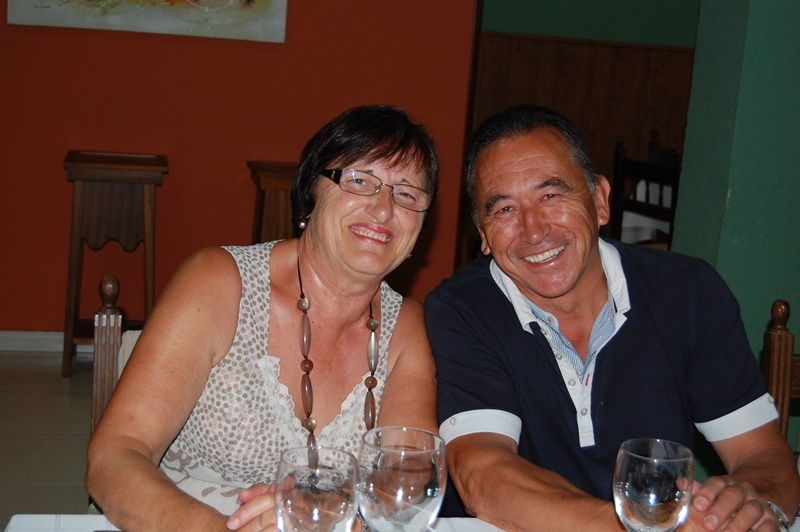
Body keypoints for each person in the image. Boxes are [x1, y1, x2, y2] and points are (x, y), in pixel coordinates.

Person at [424, 104, 800, 531]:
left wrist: (754, 508)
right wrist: (639, 527)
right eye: (504, 209)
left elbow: (761, 454)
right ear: (483, 235)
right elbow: (483, 475)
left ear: (600, 201)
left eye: (551, 195)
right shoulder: (463, 309)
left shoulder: (688, 292)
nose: (533, 230)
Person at [86, 105, 440, 531]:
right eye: (359, 180)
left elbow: (406, 482)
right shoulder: (218, 283)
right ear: (311, 192)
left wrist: (329, 516)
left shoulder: (405, 329)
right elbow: (116, 455)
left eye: (407, 194)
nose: (383, 209)